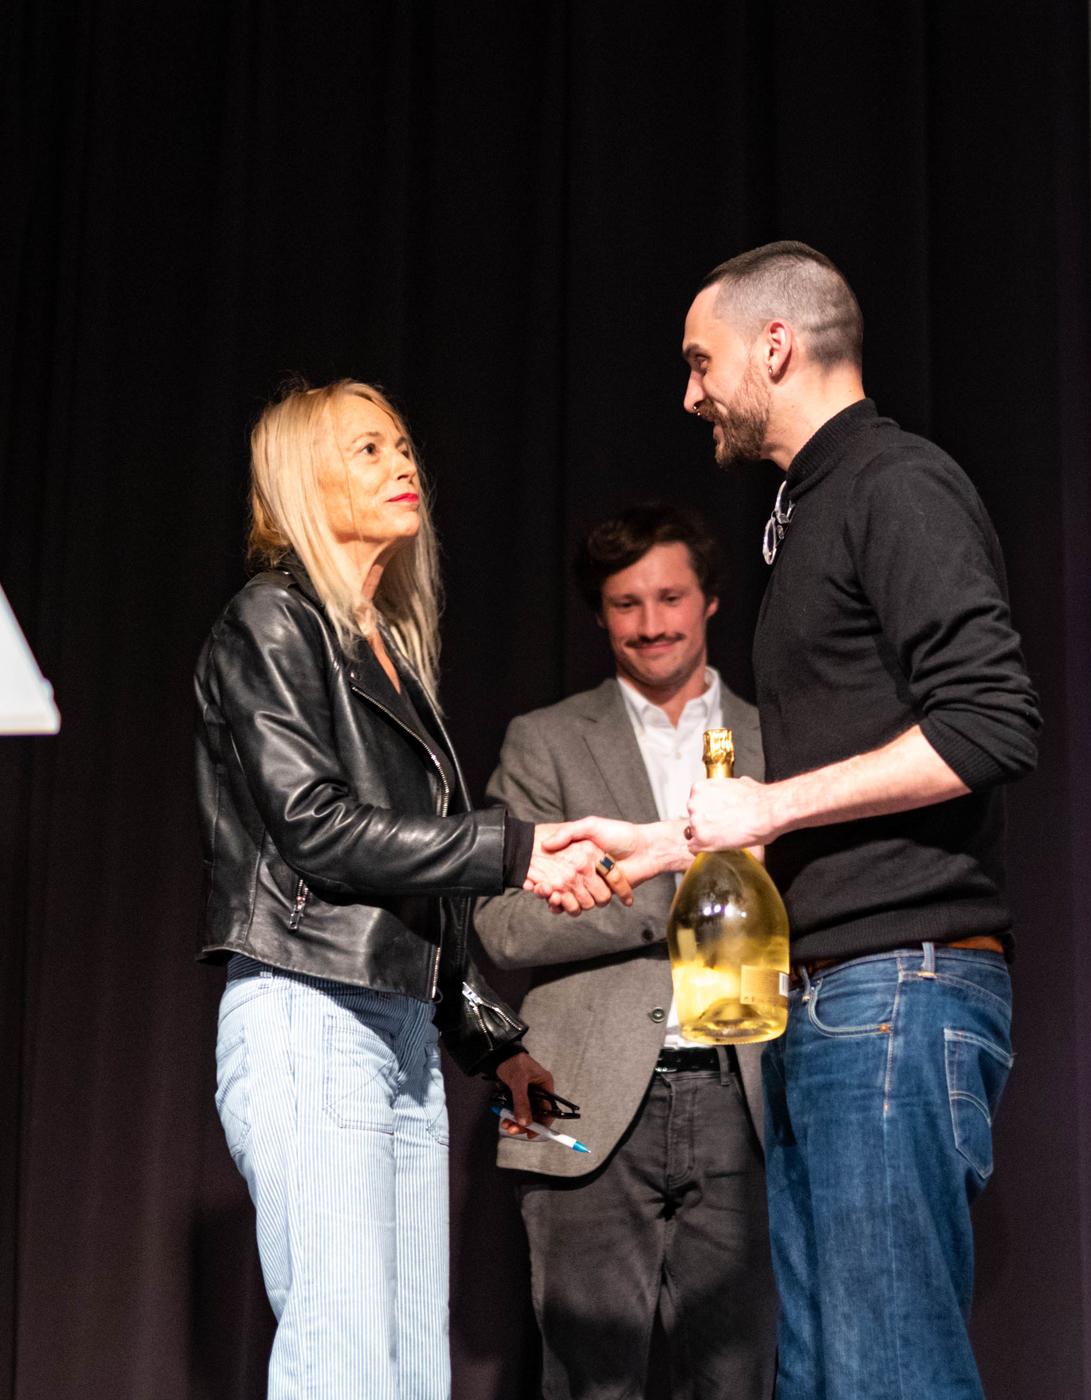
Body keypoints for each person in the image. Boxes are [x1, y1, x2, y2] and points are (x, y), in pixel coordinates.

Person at [548, 242, 1042, 1400]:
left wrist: (768, 802)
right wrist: (661, 844)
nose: (689, 393)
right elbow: (819, 781)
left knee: (888, 1374)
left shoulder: (894, 484)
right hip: (827, 1000)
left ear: (773, 346)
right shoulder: (807, 507)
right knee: (824, 1375)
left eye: (698, 361)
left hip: (897, 991)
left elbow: (989, 722)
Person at [193, 378, 633, 1400]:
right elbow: (318, 831)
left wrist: (492, 1041)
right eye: (365, 450)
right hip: (309, 1019)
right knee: (343, 1366)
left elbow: (412, 897)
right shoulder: (270, 620)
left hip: (397, 1039)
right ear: (302, 481)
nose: (402, 465)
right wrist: (515, 849)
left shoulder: (386, 650)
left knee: (407, 1377)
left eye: (402, 445)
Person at [475, 504, 776, 1400]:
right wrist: (678, 885)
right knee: (586, 1380)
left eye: (671, 596)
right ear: (600, 614)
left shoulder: (781, 739)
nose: (651, 623)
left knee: (739, 1380)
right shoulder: (546, 741)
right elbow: (501, 923)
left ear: (713, 601)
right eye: (625, 603)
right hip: (581, 1095)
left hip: (751, 1092)